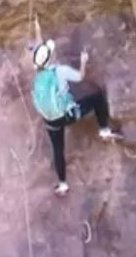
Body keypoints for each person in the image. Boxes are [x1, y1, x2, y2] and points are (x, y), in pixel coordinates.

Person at [29, 18, 119, 196]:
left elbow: (39, 52)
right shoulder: (59, 71)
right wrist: (83, 61)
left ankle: (62, 184)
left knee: (58, 150)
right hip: (66, 114)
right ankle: (103, 129)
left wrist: (37, 28)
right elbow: (79, 77)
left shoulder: (37, 74)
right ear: (50, 59)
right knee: (97, 98)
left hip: (50, 120)